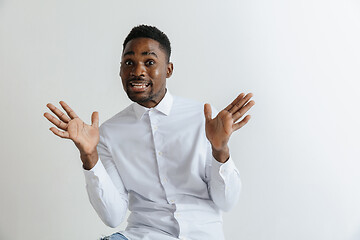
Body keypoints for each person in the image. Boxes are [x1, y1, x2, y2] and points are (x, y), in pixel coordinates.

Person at [44, 25, 255, 240]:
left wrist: (220, 150)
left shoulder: (204, 120)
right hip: (145, 235)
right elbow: (113, 216)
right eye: (129, 63)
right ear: (119, 70)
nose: (137, 71)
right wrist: (89, 156)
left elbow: (226, 202)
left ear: (169, 69)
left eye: (150, 62)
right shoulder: (107, 134)